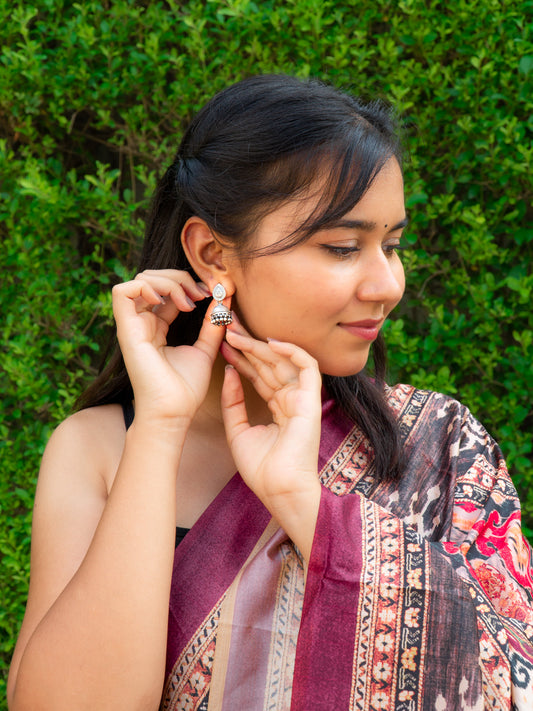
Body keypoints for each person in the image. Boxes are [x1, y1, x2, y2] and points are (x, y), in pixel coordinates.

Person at [7, 74, 533, 711]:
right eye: (343, 247)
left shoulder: (435, 444)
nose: (388, 283)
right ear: (213, 254)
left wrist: (303, 502)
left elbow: (509, 681)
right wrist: (160, 427)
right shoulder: (98, 448)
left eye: (393, 246)